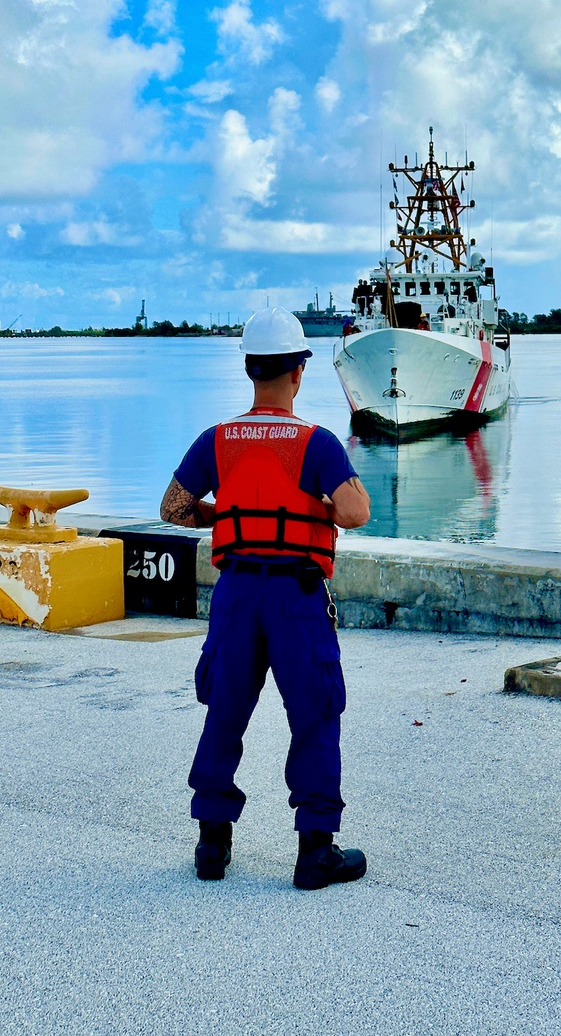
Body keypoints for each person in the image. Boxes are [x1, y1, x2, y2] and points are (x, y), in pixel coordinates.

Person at [160, 307, 371, 890]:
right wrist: (313, 510)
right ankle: (314, 854)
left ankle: (211, 845)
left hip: (235, 596)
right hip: (296, 599)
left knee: (224, 713)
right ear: (299, 372)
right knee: (314, 716)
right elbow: (355, 512)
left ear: (251, 369)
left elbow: (173, 509)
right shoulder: (317, 443)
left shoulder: (217, 440)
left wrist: (224, 514)